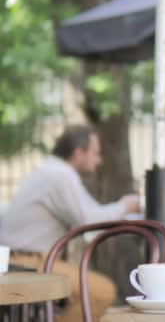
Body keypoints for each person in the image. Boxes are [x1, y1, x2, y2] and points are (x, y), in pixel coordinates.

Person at [0, 124, 140, 322]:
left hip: (25, 259)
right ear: (78, 153)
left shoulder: (54, 171)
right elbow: (87, 220)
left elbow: (92, 214)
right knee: (102, 291)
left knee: (93, 291)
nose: (98, 161)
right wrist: (125, 206)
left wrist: (124, 210)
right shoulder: (60, 175)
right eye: (95, 153)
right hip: (28, 262)